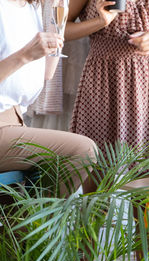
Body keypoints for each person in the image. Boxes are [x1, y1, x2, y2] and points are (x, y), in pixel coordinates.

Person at [0, 0, 97, 196]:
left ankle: (25, 221)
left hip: (16, 120)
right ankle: (32, 224)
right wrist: (25, 55)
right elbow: (25, 57)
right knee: (84, 150)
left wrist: (57, 24)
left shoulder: (31, 8)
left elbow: (47, 73)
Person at [65, 0, 149, 152]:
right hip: (103, 78)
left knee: (143, 152)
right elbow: (62, 30)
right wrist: (100, 22)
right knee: (95, 150)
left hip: (145, 84)